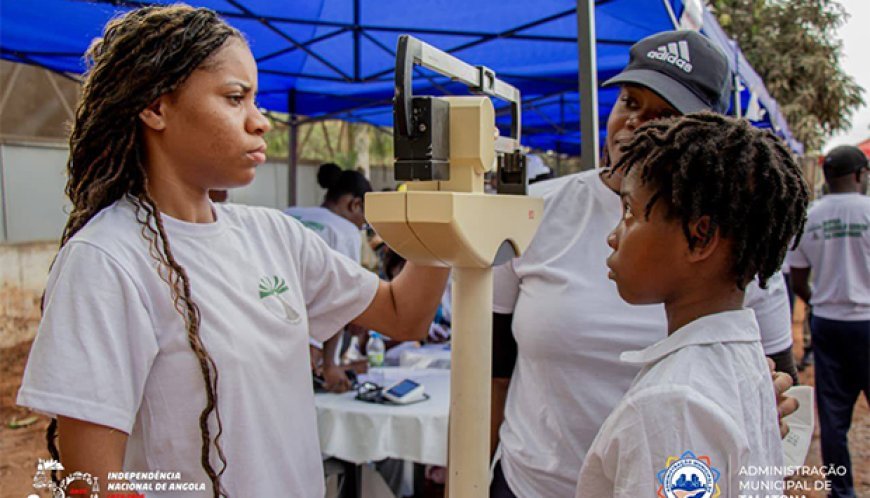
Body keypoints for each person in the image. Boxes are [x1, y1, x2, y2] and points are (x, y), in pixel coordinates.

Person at [15, 6, 448, 497]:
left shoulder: (274, 235)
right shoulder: (108, 259)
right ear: (156, 107)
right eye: (235, 98)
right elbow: (92, 482)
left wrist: (449, 204)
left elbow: (403, 314)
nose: (260, 122)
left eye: (256, 100)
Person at [490, 30, 798, 498]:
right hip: (531, 483)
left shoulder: (737, 240)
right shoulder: (531, 211)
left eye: (665, 116)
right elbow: (494, 365)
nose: (635, 123)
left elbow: (778, 379)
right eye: (630, 102)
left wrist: (760, 396)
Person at [575, 112, 808, 496]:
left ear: (700, 238)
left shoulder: (672, 405)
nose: (613, 237)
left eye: (631, 213)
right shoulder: (742, 363)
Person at [786, 144, 869, 497]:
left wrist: (818, 303)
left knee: (833, 417)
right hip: (868, 321)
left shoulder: (811, 216)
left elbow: (799, 277)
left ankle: (841, 491)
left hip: (828, 325)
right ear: (859, 175)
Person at [286, 163, 372, 393]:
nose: (362, 226)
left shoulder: (288, 214)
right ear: (355, 204)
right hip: (306, 339)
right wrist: (331, 364)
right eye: (365, 220)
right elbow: (339, 297)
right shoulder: (345, 230)